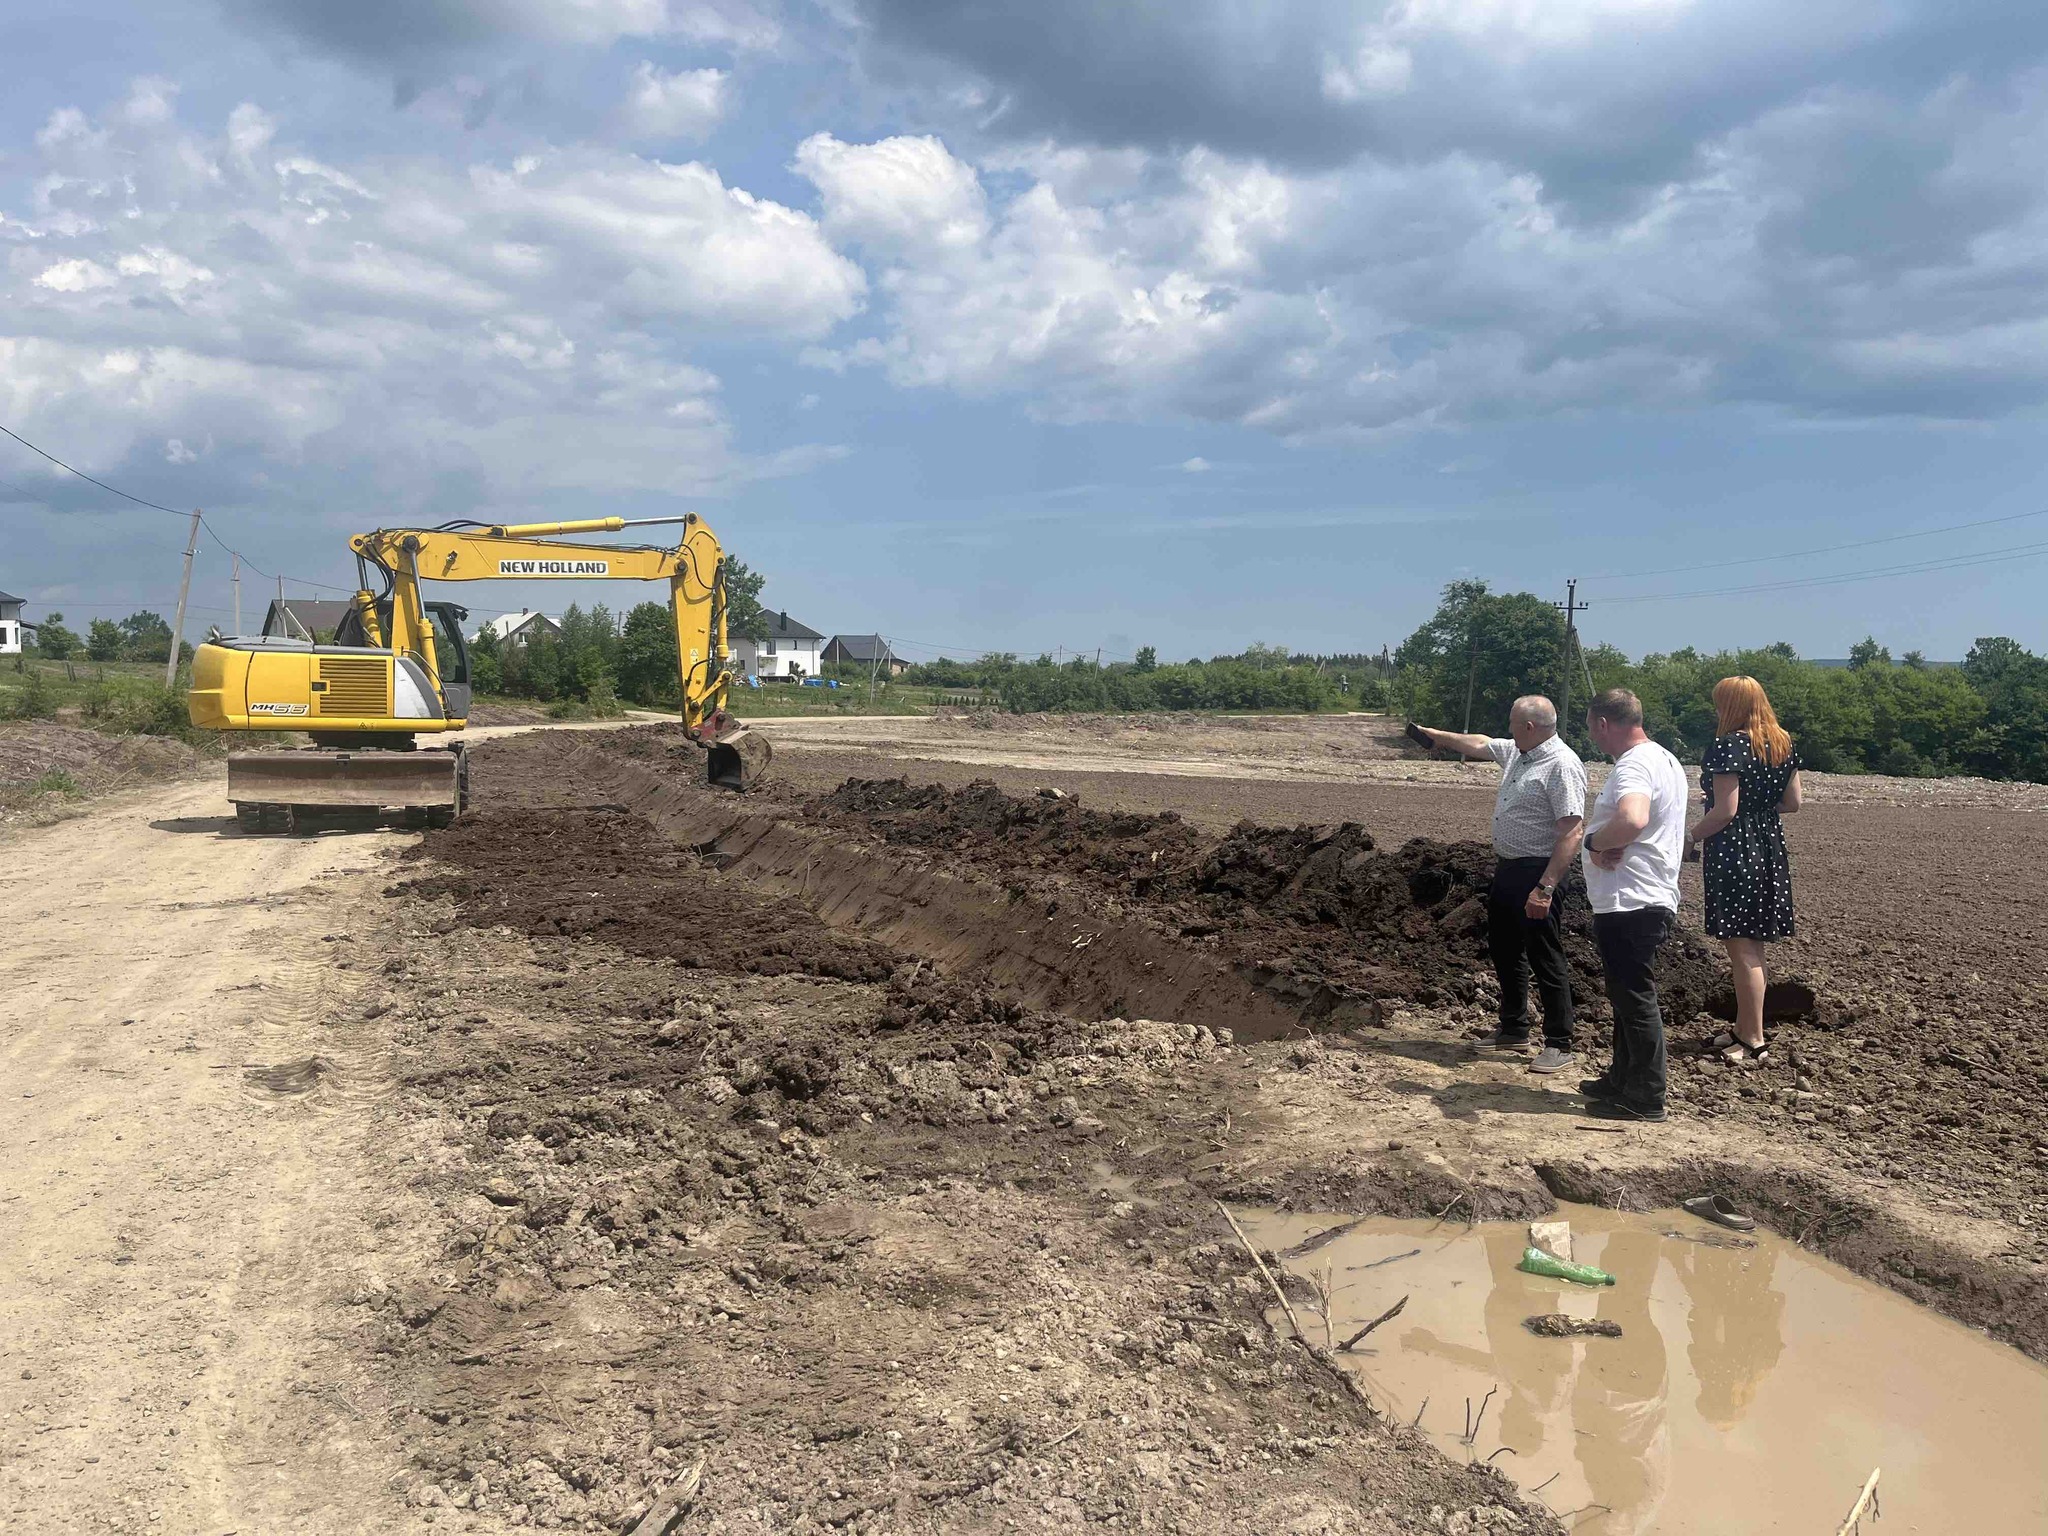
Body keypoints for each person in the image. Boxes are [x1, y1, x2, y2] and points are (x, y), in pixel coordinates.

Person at [1412, 698, 1588, 1073]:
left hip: (1539, 871)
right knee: (1505, 949)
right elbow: (1479, 742)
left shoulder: (1561, 764)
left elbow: (1572, 831)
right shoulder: (1518, 752)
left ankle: (1559, 1043)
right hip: (1509, 868)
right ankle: (1513, 1028)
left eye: (1512, 723)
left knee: (1544, 954)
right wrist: (1436, 736)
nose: (1507, 730)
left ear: (1529, 727)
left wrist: (1545, 888)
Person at [1578, 689, 1688, 1122]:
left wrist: (1594, 842)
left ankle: (1645, 1095)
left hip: (1630, 897)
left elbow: (1633, 818)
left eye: (1592, 728)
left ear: (1603, 724)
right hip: (1646, 894)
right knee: (1624, 993)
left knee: (1634, 995)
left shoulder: (1634, 764)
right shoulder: (1665, 759)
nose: (1593, 737)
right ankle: (1622, 1079)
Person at [1686, 675, 1802, 1066]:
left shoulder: (1728, 745)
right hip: (1768, 846)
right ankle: (1743, 1028)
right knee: (1753, 947)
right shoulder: (1782, 742)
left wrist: (1690, 836)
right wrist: (1759, 808)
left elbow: (1725, 810)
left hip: (1734, 849)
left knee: (1742, 950)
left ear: (1730, 705)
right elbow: (1793, 802)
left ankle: (1753, 1038)